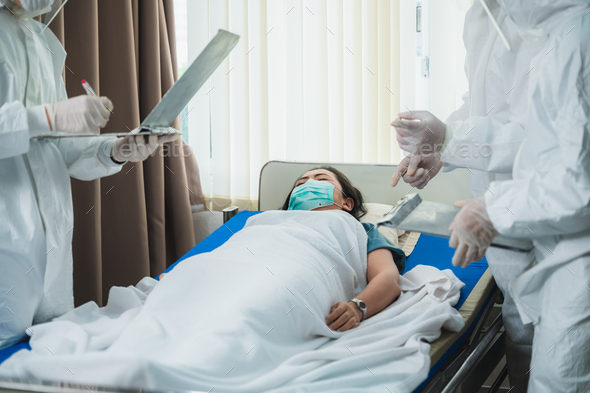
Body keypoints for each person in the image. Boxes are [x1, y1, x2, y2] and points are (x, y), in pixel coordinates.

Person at [0, 0, 177, 349]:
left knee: (51, 361)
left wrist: (115, 149)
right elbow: (45, 124)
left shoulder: (44, 42)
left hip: (54, 249)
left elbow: (60, 148)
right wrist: (46, 117)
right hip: (6, 243)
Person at [390, 1, 540, 390]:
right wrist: (438, 150)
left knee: (561, 364)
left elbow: (547, 137)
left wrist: (450, 139)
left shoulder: (551, 21)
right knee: (523, 340)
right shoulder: (481, 15)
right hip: (508, 237)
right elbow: (479, 103)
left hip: (551, 229)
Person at [447, 1, 590, 391]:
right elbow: (486, 105)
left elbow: (576, 181)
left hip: (570, 248)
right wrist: (443, 138)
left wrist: (495, 209)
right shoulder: (542, 28)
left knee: (561, 377)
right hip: (543, 235)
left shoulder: (573, 39)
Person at [162, 166, 406, 332]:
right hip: (239, 274)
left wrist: (357, 307)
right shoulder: (262, 221)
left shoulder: (360, 230)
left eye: (321, 180)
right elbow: (229, 256)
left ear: (347, 202)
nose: (309, 184)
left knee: (253, 310)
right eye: (301, 184)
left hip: (293, 278)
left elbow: (388, 278)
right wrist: (189, 275)